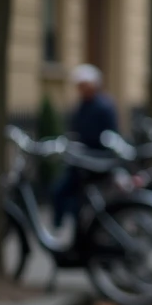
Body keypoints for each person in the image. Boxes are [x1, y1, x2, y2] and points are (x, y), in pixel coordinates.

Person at [52, 64, 118, 228]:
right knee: (60, 193)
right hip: (81, 161)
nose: (80, 89)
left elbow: (109, 135)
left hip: (93, 162)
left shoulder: (103, 107)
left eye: (83, 85)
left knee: (73, 199)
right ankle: (61, 226)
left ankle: (73, 232)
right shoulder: (82, 106)